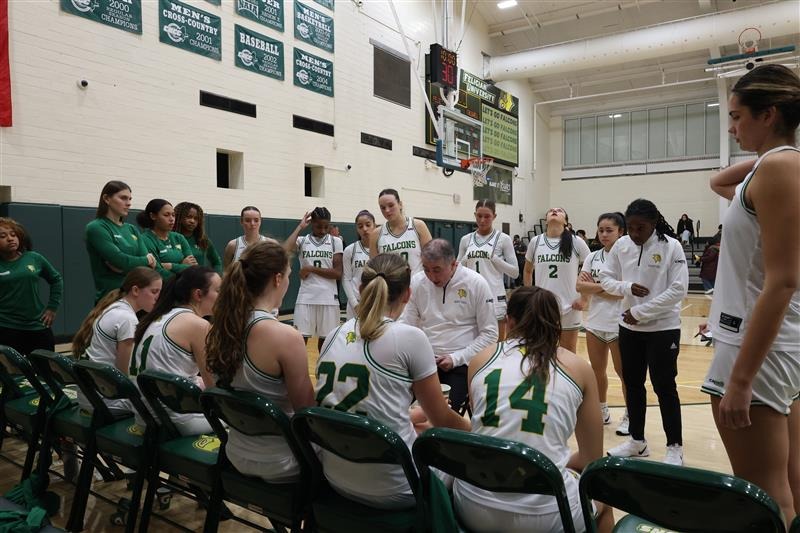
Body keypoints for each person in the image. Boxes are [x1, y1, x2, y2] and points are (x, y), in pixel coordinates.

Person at [701, 64, 800, 525]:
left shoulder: (780, 167)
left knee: (765, 494)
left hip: (756, 349)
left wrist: (740, 380)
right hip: (778, 345)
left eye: (738, 117)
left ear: (770, 113)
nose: (732, 127)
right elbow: (719, 182)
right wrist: (769, 149)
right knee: (791, 481)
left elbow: (782, 280)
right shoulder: (776, 165)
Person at [316, 253, 471, 508]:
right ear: (407, 295)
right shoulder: (410, 337)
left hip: (334, 475)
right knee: (459, 458)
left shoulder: (334, 333)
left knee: (420, 428)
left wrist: (411, 416)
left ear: (361, 289)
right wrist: (479, 433)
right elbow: (443, 418)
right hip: (396, 486)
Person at [454, 286, 612, 533]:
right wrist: (554, 464)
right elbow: (592, 459)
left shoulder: (481, 359)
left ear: (509, 321)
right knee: (605, 491)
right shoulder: (578, 368)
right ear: (557, 324)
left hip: (474, 503)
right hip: (547, 514)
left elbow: (485, 430)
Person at [206, 241, 315, 482]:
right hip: (282, 460)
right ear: (277, 279)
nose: (288, 281)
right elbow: (307, 413)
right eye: (287, 275)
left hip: (235, 451)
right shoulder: (285, 336)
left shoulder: (220, 327)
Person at [600, 199, 688, 466]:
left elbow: (678, 291)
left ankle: (675, 447)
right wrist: (626, 288)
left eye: (641, 228)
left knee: (665, 386)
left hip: (663, 328)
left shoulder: (671, 246)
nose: (635, 233)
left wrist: (640, 312)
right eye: (631, 228)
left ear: (654, 224)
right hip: (629, 329)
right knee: (634, 385)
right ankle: (637, 441)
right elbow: (605, 278)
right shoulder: (621, 246)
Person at [400, 239, 498, 413]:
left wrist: (456, 358)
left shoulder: (476, 283)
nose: (431, 276)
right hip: (424, 361)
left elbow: (490, 335)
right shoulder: (417, 282)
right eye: (426, 269)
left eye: (437, 270)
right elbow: (406, 324)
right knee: (401, 407)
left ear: (453, 264)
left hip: (462, 363)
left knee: (445, 414)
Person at [131, 266, 220, 435]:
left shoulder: (161, 315)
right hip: (175, 420)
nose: (223, 296)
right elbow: (213, 388)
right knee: (243, 423)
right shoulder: (197, 325)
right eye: (218, 290)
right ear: (198, 294)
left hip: (145, 416)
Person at [72, 267, 162, 414]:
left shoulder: (113, 307)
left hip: (90, 394)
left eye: (160, 292)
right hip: (105, 399)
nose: (158, 297)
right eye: (154, 291)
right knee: (162, 404)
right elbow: (123, 374)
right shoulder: (127, 319)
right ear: (135, 290)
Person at [576, 212, 628, 434]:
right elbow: (580, 286)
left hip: (619, 324)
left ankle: (630, 415)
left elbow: (623, 293)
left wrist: (594, 286)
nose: (604, 234)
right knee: (597, 371)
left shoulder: (627, 256)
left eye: (609, 230)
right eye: (601, 230)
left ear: (621, 232)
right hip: (595, 323)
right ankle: (602, 408)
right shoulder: (593, 257)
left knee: (623, 372)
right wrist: (606, 287)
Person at [523, 207, 591, 353]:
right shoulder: (536, 241)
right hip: (542, 306)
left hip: (570, 307)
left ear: (566, 221)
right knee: (541, 352)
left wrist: (585, 299)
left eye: (559, 210)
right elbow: (528, 270)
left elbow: (590, 269)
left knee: (568, 354)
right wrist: (529, 296)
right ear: (546, 219)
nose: (554, 211)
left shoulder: (576, 241)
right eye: (550, 210)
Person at [0, 218, 63, 355]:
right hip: (6, 327)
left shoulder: (34, 258)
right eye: (2, 236)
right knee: (12, 374)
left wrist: (52, 308)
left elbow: (56, 279)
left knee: (46, 371)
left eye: (13, 234)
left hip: (37, 325)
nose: (10, 239)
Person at [457, 200, 519, 340]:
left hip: (495, 296)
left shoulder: (503, 239)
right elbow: (456, 270)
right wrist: (464, 260)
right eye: (479, 216)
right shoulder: (466, 240)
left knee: (496, 344)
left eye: (487, 216)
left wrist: (496, 260)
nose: (482, 220)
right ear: (475, 215)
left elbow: (515, 272)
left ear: (494, 216)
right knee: (473, 343)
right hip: (472, 296)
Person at [85, 180, 156, 301]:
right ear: (107, 199)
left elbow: (149, 268)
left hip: (137, 298)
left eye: (130, 199)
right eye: (123, 198)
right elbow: (121, 261)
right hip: (111, 298)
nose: (128, 203)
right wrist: (145, 259)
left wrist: (125, 265)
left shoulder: (132, 229)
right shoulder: (97, 227)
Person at [285, 207, 343, 352]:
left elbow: (337, 273)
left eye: (326, 226)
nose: (323, 230)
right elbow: (284, 250)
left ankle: (322, 373)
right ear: (312, 224)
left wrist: (311, 269)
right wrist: (299, 227)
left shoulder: (335, 241)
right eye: (318, 226)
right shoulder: (302, 240)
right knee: (298, 341)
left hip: (329, 298)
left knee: (326, 344)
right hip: (306, 297)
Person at [369, 188, 432, 275]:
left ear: (400, 204)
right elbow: (374, 268)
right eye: (382, 208)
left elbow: (431, 258)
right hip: (390, 286)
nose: (387, 210)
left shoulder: (418, 226)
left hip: (416, 285)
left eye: (391, 205)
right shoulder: (376, 234)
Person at [137, 199, 196, 279]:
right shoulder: (145, 239)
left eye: (173, 215)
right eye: (166, 215)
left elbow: (193, 267)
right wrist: (182, 266)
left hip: (182, 286)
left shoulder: (179, 237)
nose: (171, 219)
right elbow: (157, 271)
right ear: (153, 216)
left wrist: (170, 266)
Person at [342, 210, 375, 319]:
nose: (364, 229)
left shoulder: (382, 248)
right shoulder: (349, 250)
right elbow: (346, 279)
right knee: (352, 335)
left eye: (368, 225)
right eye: (360, 226)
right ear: (357, 229)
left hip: (376, 302)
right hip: (355, 303)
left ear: (374, 225)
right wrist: (355, 304)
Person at [173, 202, 222, 274]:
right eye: (189, 217)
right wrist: (181, 265)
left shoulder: (202, 240)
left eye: (196, 218)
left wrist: (217, 277)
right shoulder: (170, 238)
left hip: (199, 282)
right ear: (179, 218)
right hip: (177, 282)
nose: (192, 221)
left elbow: (217, 262)